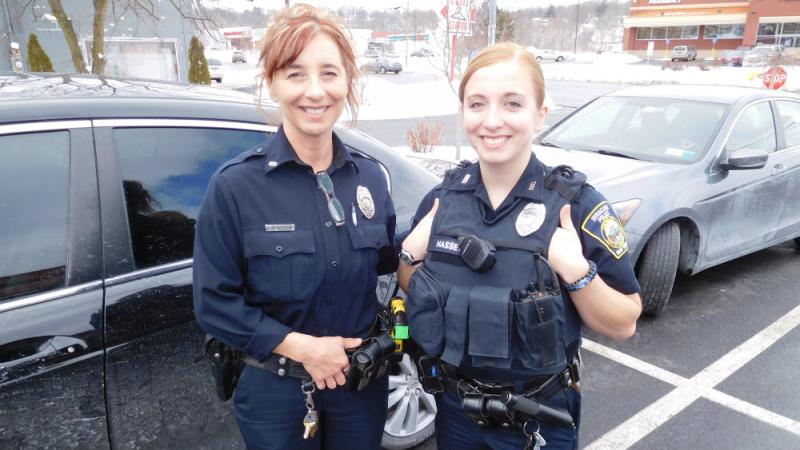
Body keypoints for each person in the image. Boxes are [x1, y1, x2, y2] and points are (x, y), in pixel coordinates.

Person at [398, 42, 642, 450]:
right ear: (463, 113)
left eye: (512, 103)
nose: (492, 120)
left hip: (537, 415)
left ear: (540, 114)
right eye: (477, 104)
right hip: (456, 410)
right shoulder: (442, 201)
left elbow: (624, 323)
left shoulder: (575, 206)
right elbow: (417, 288)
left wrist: (577, 272)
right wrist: (410, 253)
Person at [193, 5, 397, 450]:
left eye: (329, 73)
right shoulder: (235, 187)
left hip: (359, 389)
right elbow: (214, 303)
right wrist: (302, 347)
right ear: (272, 82)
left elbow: (387, 272)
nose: (315, 91)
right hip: (276, 393)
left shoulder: (371, 178)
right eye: (295, 74)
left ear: (347, 81)